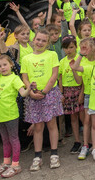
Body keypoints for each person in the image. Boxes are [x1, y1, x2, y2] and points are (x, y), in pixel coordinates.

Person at [0, 55, 32, 178]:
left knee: (13, 138)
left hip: (10, 114)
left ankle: (15, 165)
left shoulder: (14, 78)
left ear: (11, 65)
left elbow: (23, 93)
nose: (2, 68)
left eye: (5, 64)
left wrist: (29, 88)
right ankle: (6, 162)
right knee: (4, 140)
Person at [20, 29, 64, 171]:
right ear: (34, 40)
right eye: (38, 39)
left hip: (49, 93)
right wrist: (31, 92)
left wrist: (44, 91)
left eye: (43, 41)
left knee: (51, 124)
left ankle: (54, 154)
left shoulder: (51, 55)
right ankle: (37, 156)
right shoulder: (26, 58)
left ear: (48, 43)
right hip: (33, 95)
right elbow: (25, 77)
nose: (40, 42)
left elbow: (54, 74)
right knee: (38, 126)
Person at [57, 37, 84, 154]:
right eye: (66, 48)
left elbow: (83, 80)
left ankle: (88, 141)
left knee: (83, 118)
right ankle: (77, 141)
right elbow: (60, 78)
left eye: (71, 47)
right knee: (73, 118)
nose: (68, 50)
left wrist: (82, 93)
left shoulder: (80, 60)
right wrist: (61, 93)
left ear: (76, 47)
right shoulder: (62, 62)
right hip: (68, 92)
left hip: (79, 90)